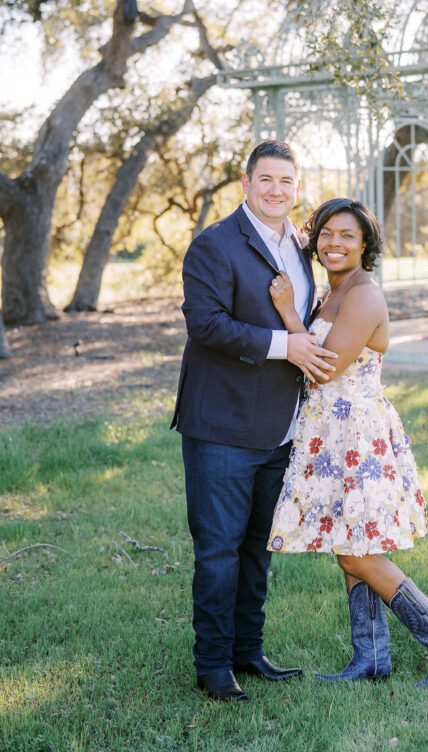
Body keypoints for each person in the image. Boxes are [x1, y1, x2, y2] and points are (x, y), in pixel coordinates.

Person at [266, 198, 428, 688]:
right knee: (348, 543)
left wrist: (287, 313)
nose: (334, 243)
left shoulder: (362, 295)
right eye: (326, 233)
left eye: (347, 235)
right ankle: (372, 657)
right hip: (330, 433)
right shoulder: (331, 293)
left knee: (357, 552)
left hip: (357, 435)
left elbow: (323, 368)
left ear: (365, 245)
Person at [171, 140, 338, 702]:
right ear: (246, 184)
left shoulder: (301, 245)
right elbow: (206, 325)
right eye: (266, 179)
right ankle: (213, 665)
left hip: (280, 428)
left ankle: (248, 650)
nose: (275, 190)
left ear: (297, 188)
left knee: (256, 548)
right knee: (218, 550)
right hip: (221, 426)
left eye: (286, 181)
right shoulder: (214, 244)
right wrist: (286, 346)